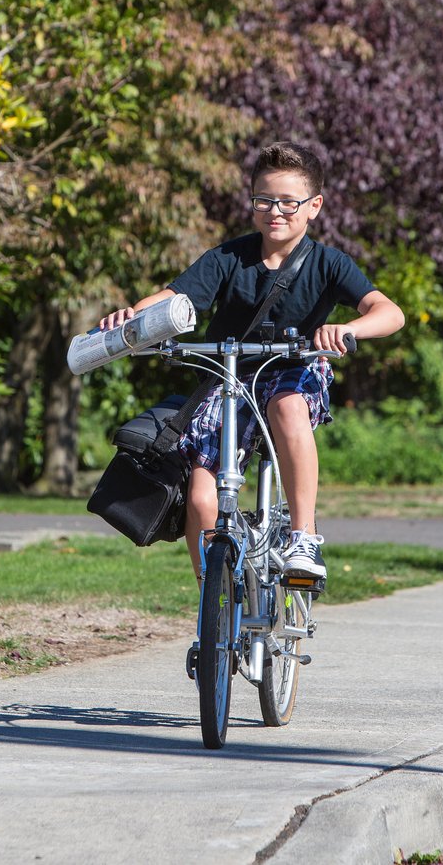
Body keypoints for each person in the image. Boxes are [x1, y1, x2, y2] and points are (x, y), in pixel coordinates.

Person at [99, 141, 404, 595]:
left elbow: (389, 312)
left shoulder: (328, 263)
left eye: (288, 202)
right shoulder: (229, 258)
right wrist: (134, 316)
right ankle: (215, 604)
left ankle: (303, 537)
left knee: (286, 406)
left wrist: (348, 329)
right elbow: (172, 298)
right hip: (228, 381)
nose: (275, 211)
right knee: (202, 500)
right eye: (264, 200)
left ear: (313, 206)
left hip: (293, 371)